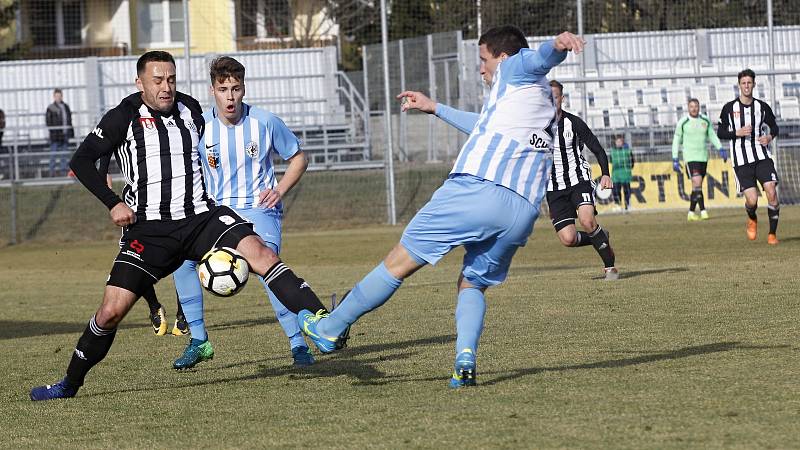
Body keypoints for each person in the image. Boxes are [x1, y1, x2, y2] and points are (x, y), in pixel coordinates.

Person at [30, 51, 331, 401]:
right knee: (111, 311)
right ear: (139, 82)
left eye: (171, 79)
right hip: (150, 231)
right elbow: (81, 160)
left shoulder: (191, 110)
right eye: (157, 80)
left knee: (262, 253)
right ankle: (69, 384)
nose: (166, 87)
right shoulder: (122, 116)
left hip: (201, 217)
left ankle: (325, 321)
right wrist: (112, 201)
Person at [298, 26, 584, 388]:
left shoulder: (515, 67)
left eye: (483, 60)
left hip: (477, 190)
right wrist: (435, 108)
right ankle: (465, 361)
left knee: (398, 262)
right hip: (522, 211)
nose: (481, 69)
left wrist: (557, 46)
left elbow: (539, 56)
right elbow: (484, 126)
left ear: (502, 57)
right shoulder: (530, 100)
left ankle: (330, 328)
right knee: (472, 284)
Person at [170, 56, 314, 370]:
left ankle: (298, 343)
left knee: (269, 270)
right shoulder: (200, 127)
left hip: (259, 210)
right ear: (213, 91)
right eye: (224, 89)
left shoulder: (265, 122)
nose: (230, 96)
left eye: (236, 88)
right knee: (182, 261)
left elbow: (299, 159)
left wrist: (279, 190)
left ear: (244, 88)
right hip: (216, 213)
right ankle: (198, 340)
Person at [394, 80, 618, 280]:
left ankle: (610, 267)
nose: (552, 101)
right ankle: (599, 237)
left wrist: (605, 173)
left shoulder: (574, 124)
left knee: (587, 220)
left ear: (562, 98)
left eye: (556, 97)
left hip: (578, 181)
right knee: (568, 239)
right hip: (553, 188)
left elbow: (597, 149)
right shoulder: (532, 126)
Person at [97, 153, 188, 336]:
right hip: (137, 204)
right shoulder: (122, 125)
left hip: (176, 198)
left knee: (183, 253)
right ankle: (155, 307)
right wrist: (105, 177)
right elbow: (105, 150)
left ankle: (183, 314)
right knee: (134, 258)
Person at [717, 68, 780, 244]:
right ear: (739, 86)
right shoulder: (729, 108)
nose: (746, 86)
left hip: (761, 156)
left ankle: (772, 234)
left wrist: (769, 136)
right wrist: (736, 132)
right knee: (752, 200)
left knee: (771, 192)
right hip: (741, 161)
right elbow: (720, 132)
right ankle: (752, 217)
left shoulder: (761, 107)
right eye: (743, 83)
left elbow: (775, 127)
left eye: (749, 83)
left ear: (753, 84)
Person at [672, 98, 727, 221]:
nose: (694, 109)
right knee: (697, 181)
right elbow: (676, 140)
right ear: (688, 108)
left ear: (699, 107)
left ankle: (691, 213)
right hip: (690, 158)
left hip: (703, 157)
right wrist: (675, 158)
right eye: (691, 106)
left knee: (697, 186)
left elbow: (712, 135)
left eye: (696, 106)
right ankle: (703, 211)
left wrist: (720, 148)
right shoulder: (683, 122)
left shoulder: (705, 120)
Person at [46, 88, 74, 177]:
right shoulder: (51, 107)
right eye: (56, 96)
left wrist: (71, 131)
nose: (58, 97)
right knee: (53, 154)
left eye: (60, 96)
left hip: (65, 135)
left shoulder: (66, 106)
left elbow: (69, 120)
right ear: (54, 97)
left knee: (64, 154)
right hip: (55, 136)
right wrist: (54, 132)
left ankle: (63, 171)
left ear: (62, 96)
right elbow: (48, 122)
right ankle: (51, 172)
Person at [609, 135, 634, 211]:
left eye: (620, 141)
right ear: (615, 142)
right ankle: (618, 205)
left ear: (623, 142)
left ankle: (628, 205)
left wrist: (628, 168)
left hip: (625, 174)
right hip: (616, 175)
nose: (619, 143)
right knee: (616, 191)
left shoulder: (627, 151)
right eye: (617, 142)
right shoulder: (612, 151)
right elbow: (610, 161)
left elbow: (632, 161)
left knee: (627, 191)